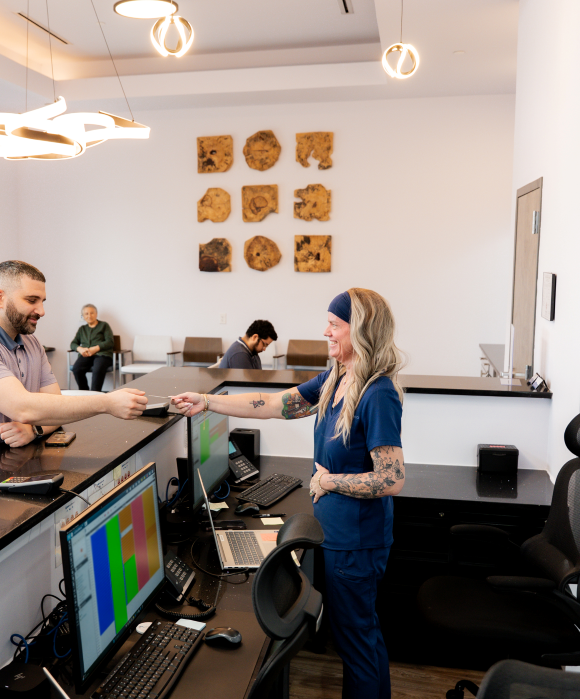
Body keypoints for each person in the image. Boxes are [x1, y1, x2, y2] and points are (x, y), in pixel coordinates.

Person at [171, 289, 405, 699]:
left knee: (358, 642)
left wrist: (330, 481)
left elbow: (391, 478)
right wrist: (207, 401)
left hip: (357, 541)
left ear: (362, 330)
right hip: (337, 534)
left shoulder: (377, 391)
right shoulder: (337, 376)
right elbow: (275, 404)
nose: (326, 332)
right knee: (358, 639)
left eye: (335, 325)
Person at [0, 261, 147, 476]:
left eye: (42, 301)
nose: (41, 310)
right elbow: (24, 408)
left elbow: (54, 409)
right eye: (32, 300)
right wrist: (106, 402)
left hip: (5, 470)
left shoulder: (31, 343)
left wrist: (34, 429)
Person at [70, 304, 115, 391]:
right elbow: (73, 343)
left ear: (96, 314)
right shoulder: (82, 329)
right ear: (83, 316)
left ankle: (95, 394)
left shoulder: (104, 325)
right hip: (87, 355)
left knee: (97, 369)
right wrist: (80, 349)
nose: (89, 316)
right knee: (76, 369)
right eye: (86, 314)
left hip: (102, 355)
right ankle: (85, 393)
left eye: (92, 313)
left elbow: (110, 342)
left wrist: (96, 348)